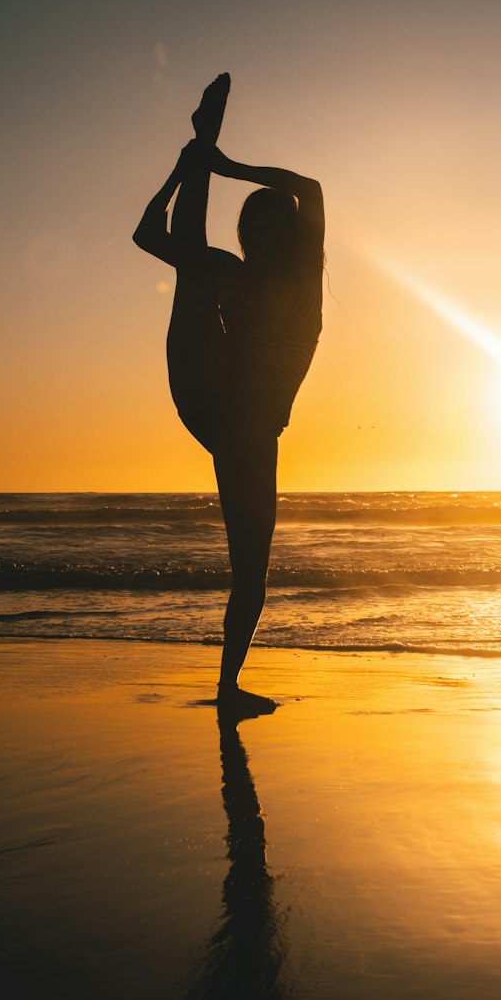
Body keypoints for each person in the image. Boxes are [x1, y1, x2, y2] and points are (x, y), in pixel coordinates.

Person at [133, 73, 324, 714]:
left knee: (252, 571)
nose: (268, 240)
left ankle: (227, 686)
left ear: (291, 237)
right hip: (213, 395)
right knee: (196, 266)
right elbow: (144, 232)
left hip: (249, 428)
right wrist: (189, 164)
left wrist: (218, 163)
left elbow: (311, 190)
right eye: (258, 231)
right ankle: (227, 689)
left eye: (277, 230)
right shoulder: (233, 274)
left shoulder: (304, 277)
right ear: (248, 237)